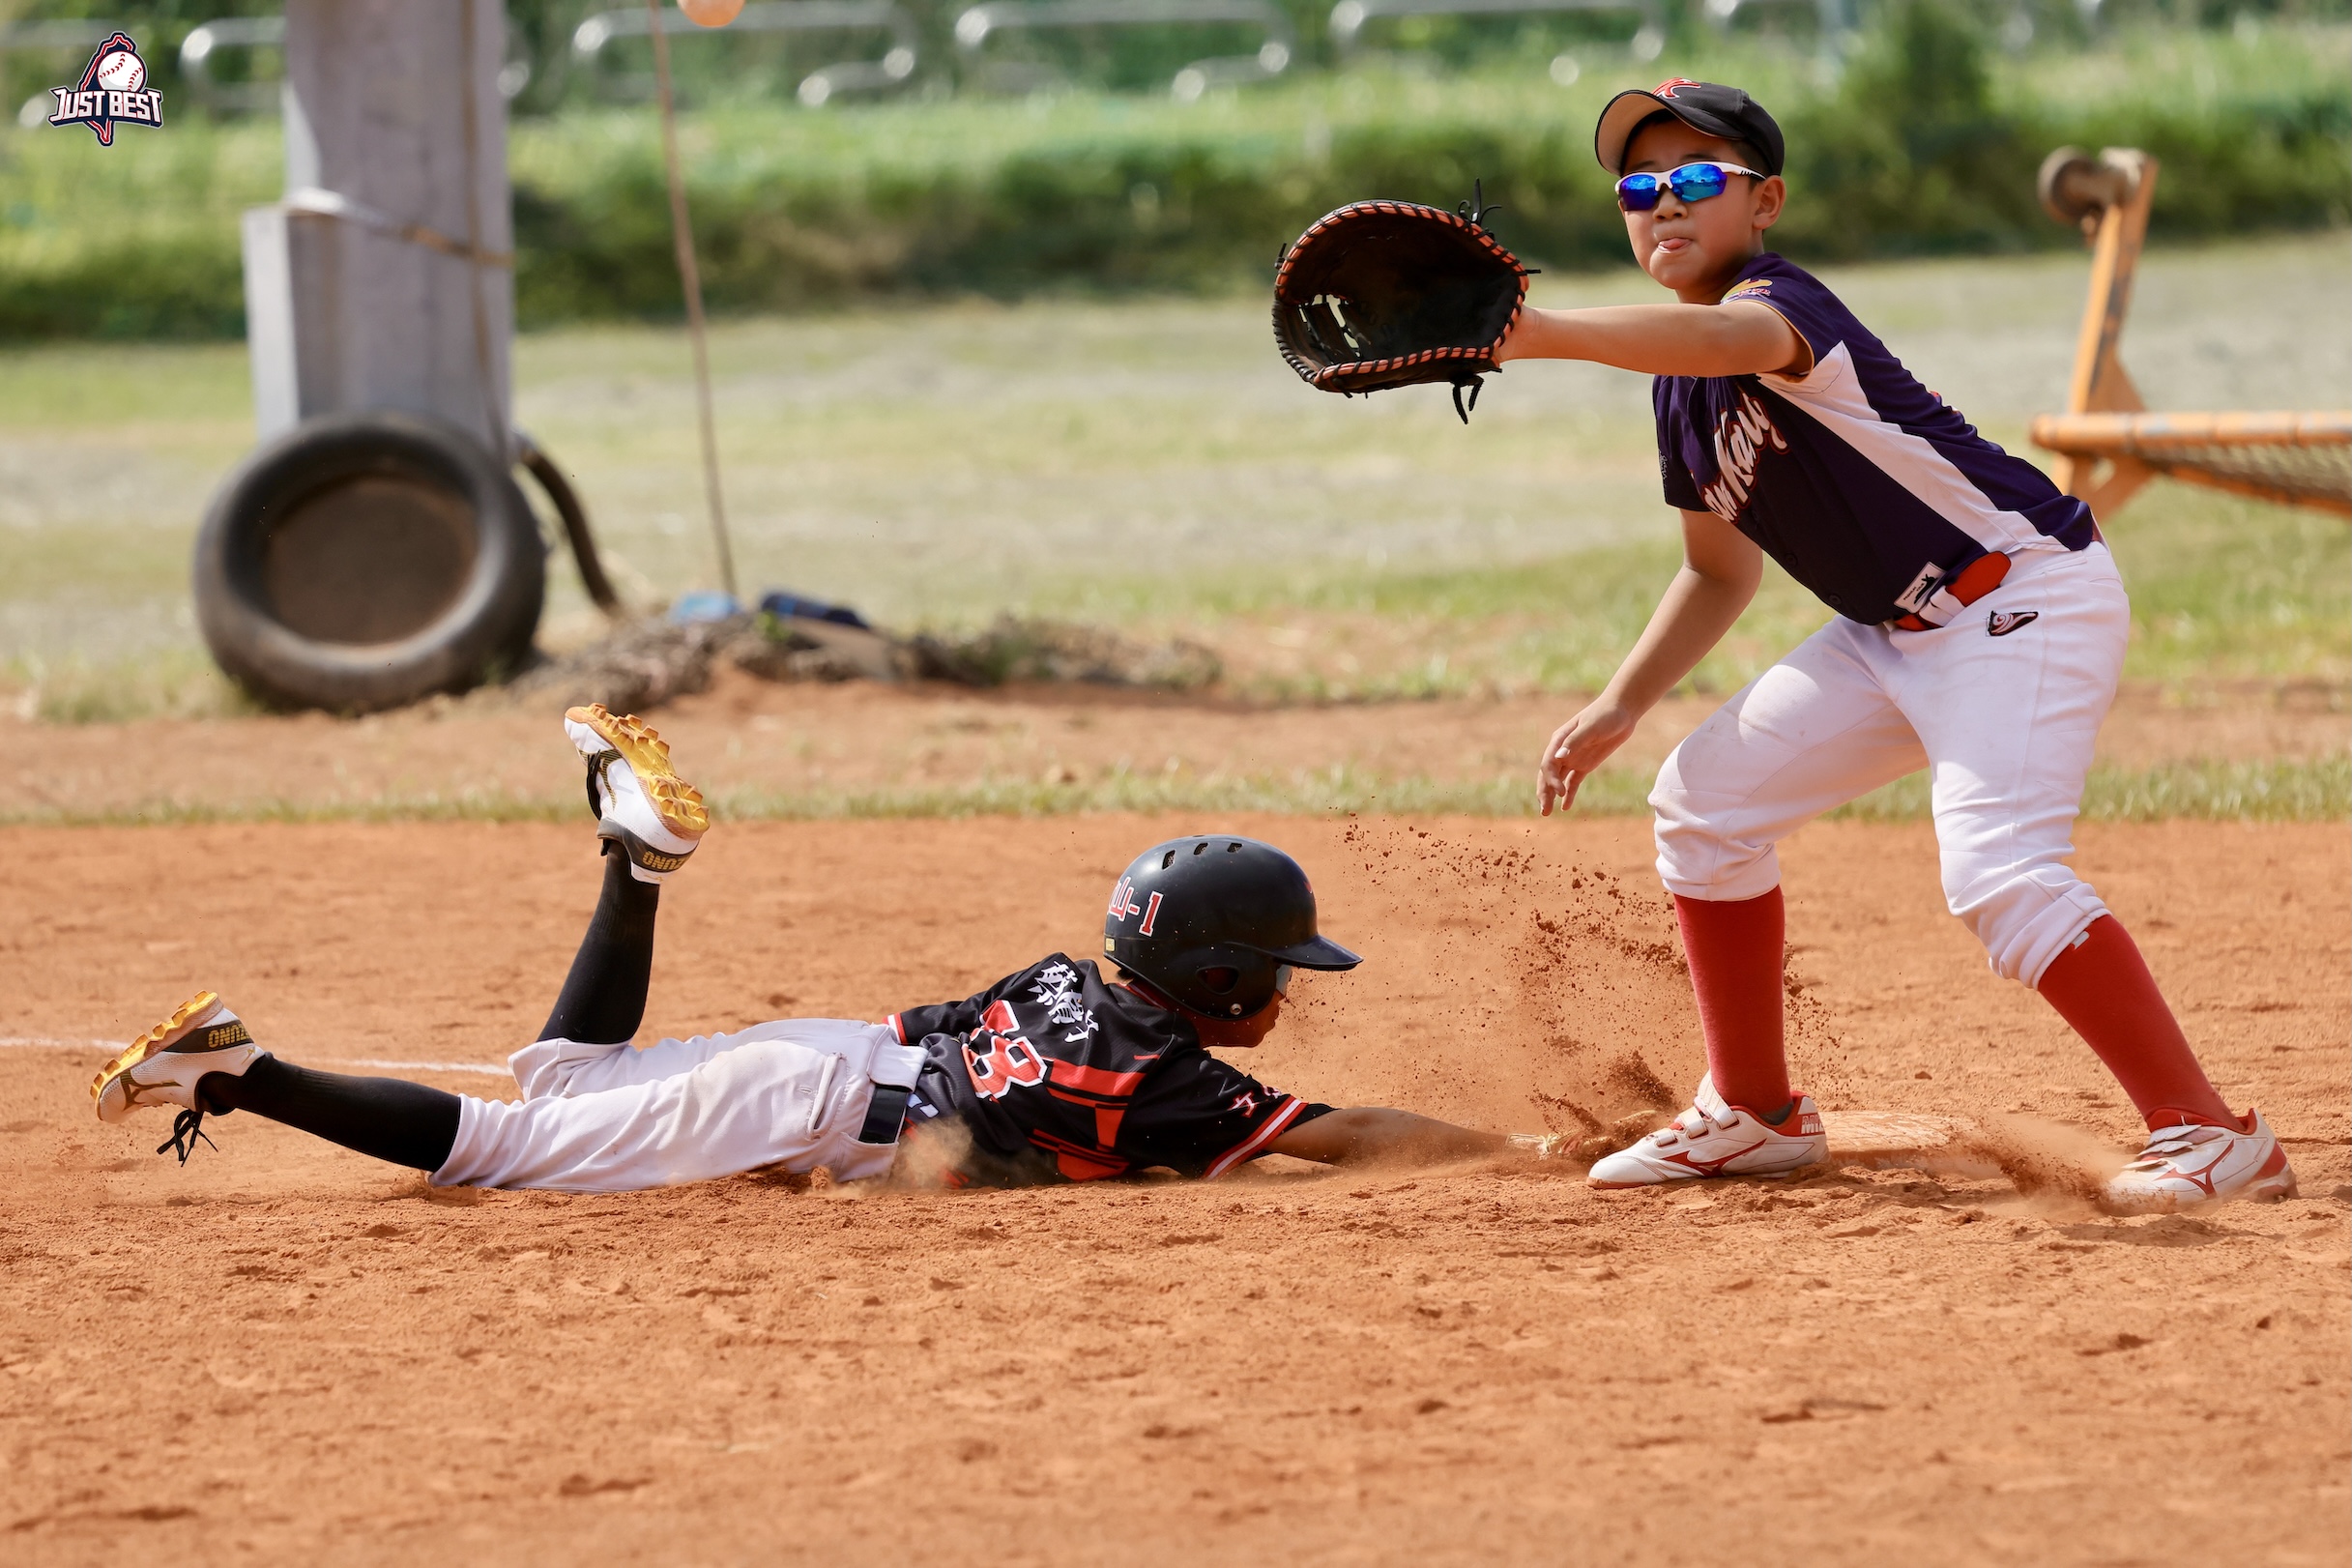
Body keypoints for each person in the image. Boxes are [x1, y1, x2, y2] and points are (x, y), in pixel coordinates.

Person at [1494, 78, 2295, 1209]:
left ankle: (2214, 1134)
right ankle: (1755, 1112)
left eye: (1693, 179)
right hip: (1896, 631)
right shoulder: (1678, 387)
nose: (1661, 204)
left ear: (1763, 201)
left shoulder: (1780, 306)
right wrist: (1623, 702)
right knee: (1704, 802)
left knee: (1999, 870)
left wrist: (1538, 333)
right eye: (1637, 186)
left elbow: (1730, 336)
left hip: (2022, 596)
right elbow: (1718, 568)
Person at [89, 706, 1503, 1191]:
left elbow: (916, 1032)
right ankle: (238, 1070)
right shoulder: (1173, 1079)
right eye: (1277, 970)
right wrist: (1518, 1152)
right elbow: (1344, 1131)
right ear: (1220, 981)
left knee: (566, 1078)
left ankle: (637, 863)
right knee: (503, 1147)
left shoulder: (1065, 976)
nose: (1283, 993)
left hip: (829, 1064)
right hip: (820, 1097)